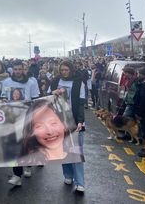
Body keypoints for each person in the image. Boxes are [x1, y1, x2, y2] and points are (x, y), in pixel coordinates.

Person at [49, 60, 86, 193]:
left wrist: (80, 120)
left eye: (66, 70)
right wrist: (51, 94)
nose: (64, 72)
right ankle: (68, 175)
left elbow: (82, 103)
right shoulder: (55, 81)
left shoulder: (78, 82)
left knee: (76, 151)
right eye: (62, 70)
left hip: (75, 119)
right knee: (64, 150)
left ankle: (80, 182)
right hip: (60, 120)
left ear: (71, 70)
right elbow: (47, 99)